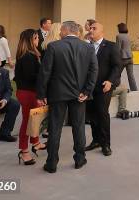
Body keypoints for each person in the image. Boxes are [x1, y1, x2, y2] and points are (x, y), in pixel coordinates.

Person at [37, 21, 98, 173]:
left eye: (61, 30)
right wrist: (87, 91)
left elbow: (45, 73)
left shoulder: (54, 47)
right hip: (80, 95)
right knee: (79, 127)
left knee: (55, 128)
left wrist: (41, 94)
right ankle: (79, 159)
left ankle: (51, 163)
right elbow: (94, 71)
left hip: (58, 95)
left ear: (65, 30)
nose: (59, 33)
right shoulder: (88, 47)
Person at [86, 22, 122, 156]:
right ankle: (96, 140)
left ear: (102, 31)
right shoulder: (87, 46)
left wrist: (110, 81)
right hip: (89, 87)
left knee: (102, 114)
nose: (91, 30)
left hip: (104, 87)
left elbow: (118, 66)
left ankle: (105, 144)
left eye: (94, 28)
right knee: (91, 114)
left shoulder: (111, 46)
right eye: (90, 28)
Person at [14, 29, 46, 165]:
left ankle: (35, 142)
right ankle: (24, 150)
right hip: (28, 93)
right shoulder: (28, 56)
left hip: (30, 91)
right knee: (28, 122)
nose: (38, 40)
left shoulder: (32, 54)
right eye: (36, 38)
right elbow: (30, 76)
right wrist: (45, 75)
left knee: (35, 119)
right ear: (30, 40)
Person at [116, 23, 138, 91]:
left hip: (123, 58)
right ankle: (134, 90)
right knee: (131, 76)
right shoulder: (128, 36)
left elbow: (118, 48)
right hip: (130, 58)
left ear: (119, 28)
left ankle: (118, 88)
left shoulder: (119, 36)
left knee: (117, 74)